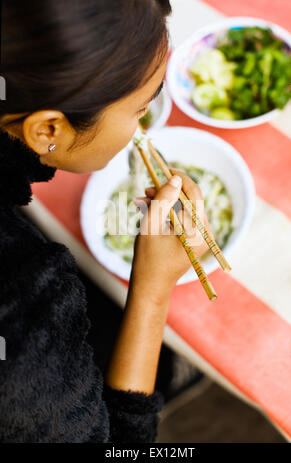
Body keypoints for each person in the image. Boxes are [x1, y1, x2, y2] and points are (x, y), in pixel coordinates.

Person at [0, 0, 211, 443]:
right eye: (139, 111)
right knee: (166, 359)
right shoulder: (23, 292)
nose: (141, 130)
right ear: (48, 131)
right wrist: (152, 291)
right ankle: (179, 369)